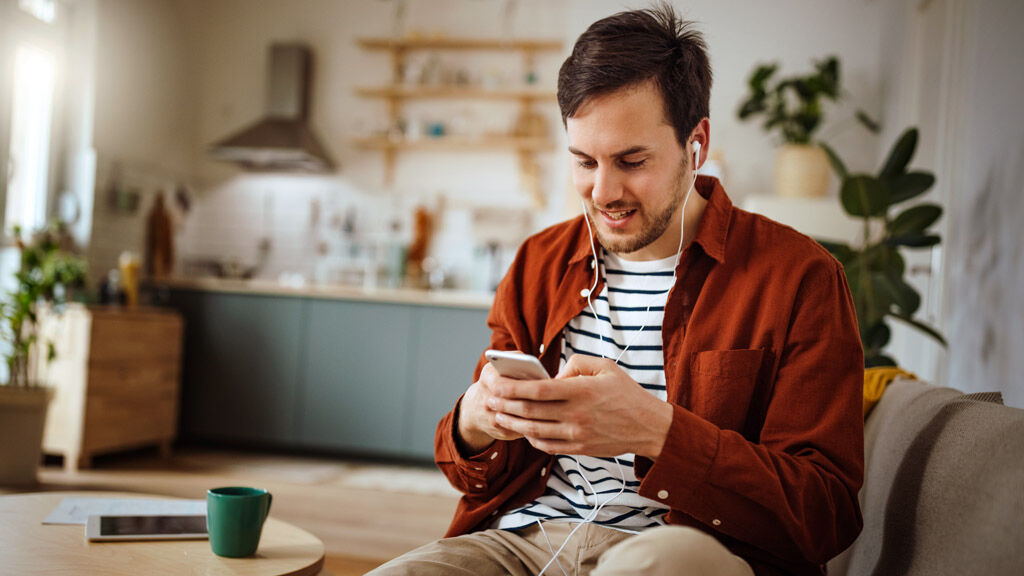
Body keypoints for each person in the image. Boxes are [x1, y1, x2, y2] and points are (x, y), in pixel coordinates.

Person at [370, 4, 864, 575]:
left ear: (696, 143)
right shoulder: (539, 262)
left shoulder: (800, 277)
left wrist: (658, 432)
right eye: (584, 161)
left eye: (632, 161)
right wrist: (475, 419)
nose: (604, 192)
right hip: (525, 541)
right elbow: (468, 470)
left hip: (683, 547)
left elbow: (825, 512)